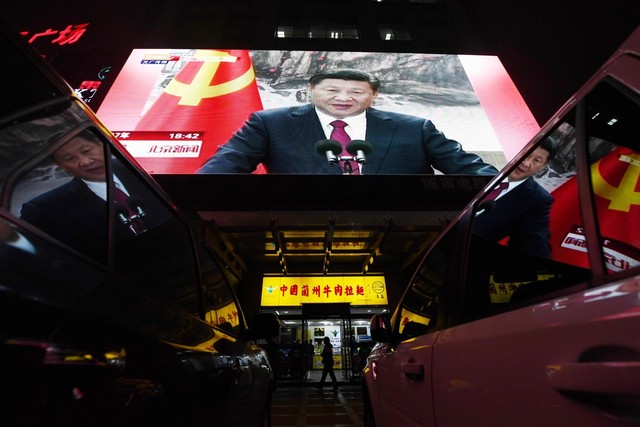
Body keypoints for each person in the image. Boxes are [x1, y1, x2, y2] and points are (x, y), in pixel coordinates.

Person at [196, 69, 499, 175]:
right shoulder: (269, 123)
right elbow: (224, 167)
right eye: (332, 90)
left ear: (373, 96)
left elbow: (473, 170)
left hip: (405, 235)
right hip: (301, 233)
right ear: (311, 91)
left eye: (356, 92)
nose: (344, 98)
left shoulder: (415, 127)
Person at [20, 131, 165, 261]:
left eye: (87, 150)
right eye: (70, 158)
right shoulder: (45, 210)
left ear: (100, 144)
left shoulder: (147, 168)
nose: (85, 161)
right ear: (61, 166)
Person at [473, 139, 556, 258]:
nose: (526, 163)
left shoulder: (537, 200)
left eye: (536, 160)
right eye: (527, 154)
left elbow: (535, 242)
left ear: (543, 167)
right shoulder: (479, 168)